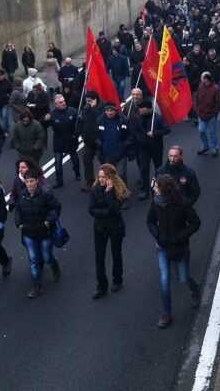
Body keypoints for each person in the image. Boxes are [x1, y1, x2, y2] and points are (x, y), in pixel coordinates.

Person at [147, 174, 202, 329]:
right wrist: (157, 234)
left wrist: (181, 236)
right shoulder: (155, 203)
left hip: (180, 247)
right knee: (165, 280)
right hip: (162, 247)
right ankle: (166, 313)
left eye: (156, 186)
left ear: (164, 189)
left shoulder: (183, 204)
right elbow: (150, 220)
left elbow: (196, 223)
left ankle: (194, 288)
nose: (153, 188)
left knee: (184, 278)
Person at [15, 170, 62, 298]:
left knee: (46, 257)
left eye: (32, 181)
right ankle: (37, 286)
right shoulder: (23, 195)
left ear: (37, 181)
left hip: (45, 232)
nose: (29, 184)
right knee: (34, 260)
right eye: (27, 181)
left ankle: (54, 264)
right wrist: (18, 223)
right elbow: (18, 210)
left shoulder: (46, 194)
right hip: (29, 233)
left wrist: (49, 221)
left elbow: (57, 207)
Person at [88, 164, 129, 299]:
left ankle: (117, 279)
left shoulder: (118, 191)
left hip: (115, 227)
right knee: (99, 258)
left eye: (104, 177)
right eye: (99, 177)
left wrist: (108, 192)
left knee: (116, 254)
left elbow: (113, 208)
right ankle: (101, 285)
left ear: (110, 178)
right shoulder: (95, 190)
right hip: (100, 228)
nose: (101, 180)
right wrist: (105, 213)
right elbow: (91, 210)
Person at [132, 99, 170, 200]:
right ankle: (145, 190)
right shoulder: (138, 118)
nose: (140, 110)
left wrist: (155, 133)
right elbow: (134, 131)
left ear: (148, 109)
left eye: (142, 108)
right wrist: (139, 139)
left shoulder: (157, 118)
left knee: (158, 169)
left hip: (156, 148)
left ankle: (160, 188)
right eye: (139, 108)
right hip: (143, 148)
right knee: (144, 169)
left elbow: (166, 129)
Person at [43, 94, 80, 188]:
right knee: (58, 162)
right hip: (58, 140)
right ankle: (59, 180)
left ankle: (77, 172)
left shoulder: (73, 111)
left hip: (70, 138)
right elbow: (42, 126)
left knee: (74, 158)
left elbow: (80, 124)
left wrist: (76, 134)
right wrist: (44, 120)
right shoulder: (52, 115)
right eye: (60, 102)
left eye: (63, 101)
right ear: (56, 105)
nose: (63, 103)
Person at [94, 102, 133, 187]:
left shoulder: (124, 120)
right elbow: (95, 135)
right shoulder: (99, 121)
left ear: (116, 110)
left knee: (121, 175)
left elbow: (131, 135)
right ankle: (111, 192)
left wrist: (125, 145)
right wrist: (100, 144)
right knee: (108, 175)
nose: (109, 112)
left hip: (120, 153)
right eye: (107, 110)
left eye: (111, 110)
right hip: (106, 154)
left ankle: (123, 191)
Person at [77, 90, 102, 192]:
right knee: (86, 159)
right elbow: (83, 121)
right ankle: (90, 181)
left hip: (99, 140)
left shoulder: (102, 107)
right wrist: (82, 134)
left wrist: (94, 108)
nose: (88, 102)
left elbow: (100, 119)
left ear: (95, 100)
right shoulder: (85, 108)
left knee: (103, 162)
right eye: (86, 100)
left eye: (90, 101)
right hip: (88, 140)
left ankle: (104, 181)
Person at [196, 72, 220, 156]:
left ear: (206, 79)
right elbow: (197, 99)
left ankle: (214, 148)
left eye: (202, 77)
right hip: (202, 114)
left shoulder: (216, 89)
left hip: (211, 115)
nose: (200, 79)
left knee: (212, 132)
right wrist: (197, 110)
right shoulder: (200, 87)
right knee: (201, 130)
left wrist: (214, 113)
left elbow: (219, 103)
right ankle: (205, 146)